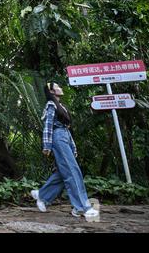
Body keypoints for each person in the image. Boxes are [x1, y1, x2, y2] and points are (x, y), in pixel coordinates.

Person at [30, 82, 99, 220]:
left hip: (64, 137)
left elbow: (66, 129)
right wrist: (47, 145)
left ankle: (42, 195)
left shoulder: (60, 106)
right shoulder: (51, 104)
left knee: (64, 173)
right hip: (58, 138)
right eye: (58, 87)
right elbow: (49, 125)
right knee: (73, 171)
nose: (60, 88)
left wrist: (73, 147)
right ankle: (81, 208)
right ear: (52, 91)